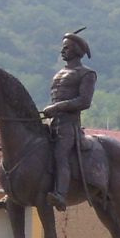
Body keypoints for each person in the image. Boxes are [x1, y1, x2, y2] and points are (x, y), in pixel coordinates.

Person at [41, 30, 96, 211]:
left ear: (77, 50)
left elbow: (84, 101)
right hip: (53, 121)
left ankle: (60, 194)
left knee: (60, 155)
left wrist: (57, 108)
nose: (62, 51)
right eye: (62, 48)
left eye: (66, 48)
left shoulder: (86, 74)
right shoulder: (59, 73)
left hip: (69, 125)